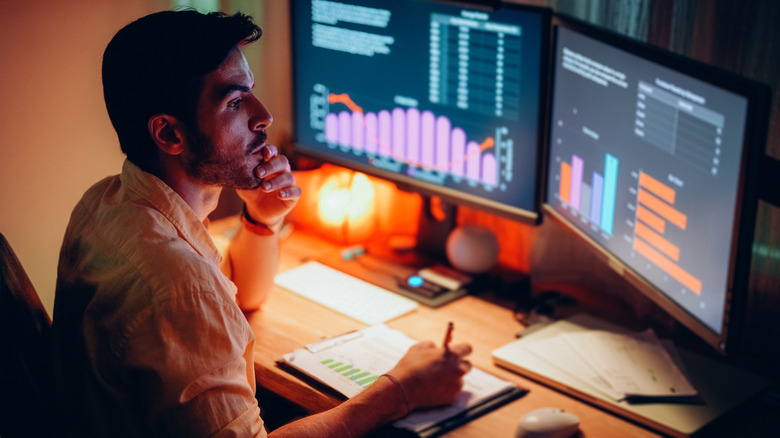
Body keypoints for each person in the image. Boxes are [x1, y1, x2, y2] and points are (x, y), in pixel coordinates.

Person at [51, 9, 472, 438]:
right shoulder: (179, 285)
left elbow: (243, 298)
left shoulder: (106, 204)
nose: (264, 115)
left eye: (250, 93)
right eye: (234, 102)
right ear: (170, 135)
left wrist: (261, 220)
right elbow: (194, 297)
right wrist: (398, 392)